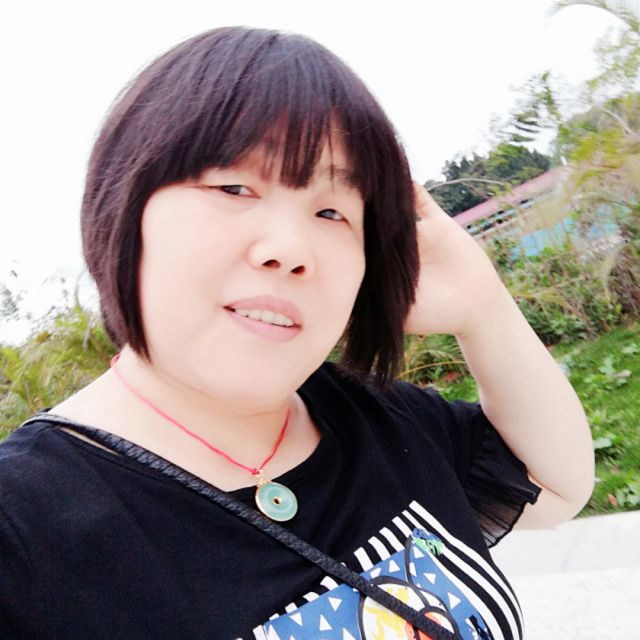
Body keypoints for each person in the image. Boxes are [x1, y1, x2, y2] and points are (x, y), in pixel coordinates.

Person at [0, 26, 594, 640]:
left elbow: (554, 487)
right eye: (234, 187)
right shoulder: (22, 532)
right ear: (122, 204)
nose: (289, 249)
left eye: (332, 211)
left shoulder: (379, 420)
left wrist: (483, 307)